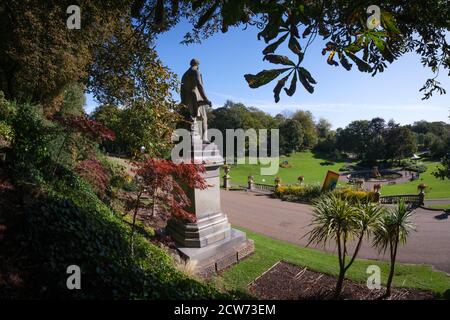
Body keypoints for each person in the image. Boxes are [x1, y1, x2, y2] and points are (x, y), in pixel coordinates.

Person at [180, 58, 211, 143]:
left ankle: (188, 139)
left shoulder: (184, 74)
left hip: (186, 98)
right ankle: (204, 138)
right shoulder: (196, 72)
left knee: (189, 118)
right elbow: (199, 85)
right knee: (204, 118)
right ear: (197, 65)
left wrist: (183, 101)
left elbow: (181, 89)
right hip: (195, 96)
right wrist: (205, 99)